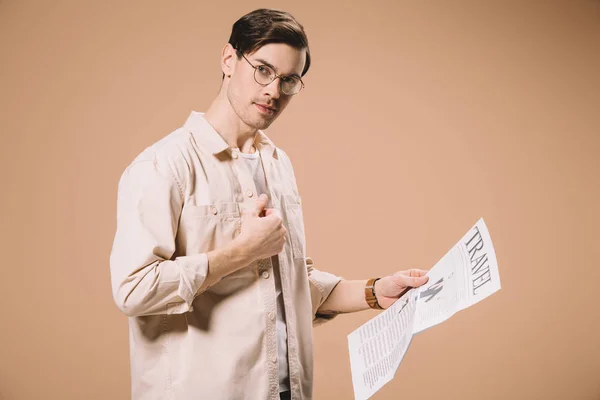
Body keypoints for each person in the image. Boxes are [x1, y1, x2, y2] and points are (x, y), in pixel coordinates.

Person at [109, 8, 429, 400]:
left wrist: (375, 291)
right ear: (229, 60)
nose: (274, 91)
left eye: (289, 80)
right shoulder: (163, 166)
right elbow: (134, 289)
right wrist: (242, 251)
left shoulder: (277, 165)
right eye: (263, 69)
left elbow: (286, 286)